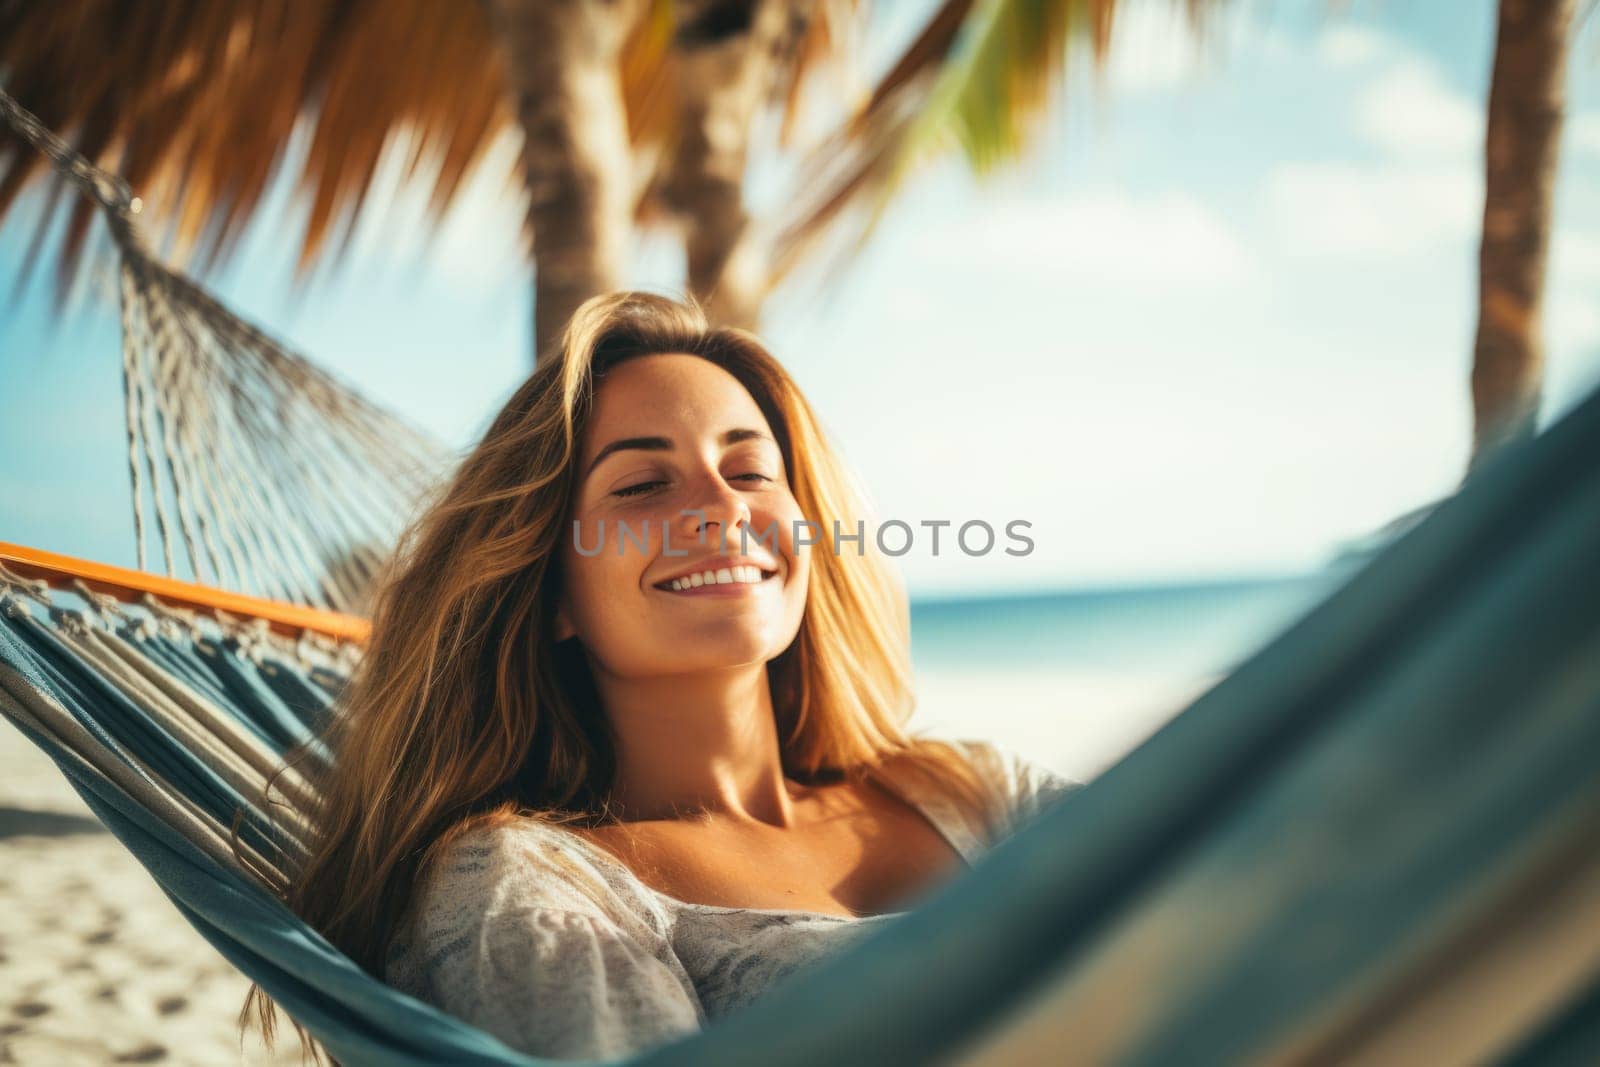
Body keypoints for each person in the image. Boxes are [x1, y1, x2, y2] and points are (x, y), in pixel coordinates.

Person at [244, 291, 1083, 1062]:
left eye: (752, 470)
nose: (721, 507)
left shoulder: (974, 787)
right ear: (552, 594)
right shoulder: (527, 881)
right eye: (643, 484)